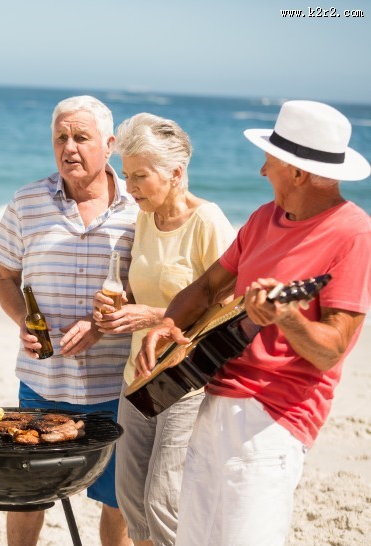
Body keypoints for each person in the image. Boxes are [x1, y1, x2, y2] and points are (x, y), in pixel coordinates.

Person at [137, 100, 370, 545]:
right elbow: (207, 289)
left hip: (275, 420)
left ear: (298, 172)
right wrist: (167, 325)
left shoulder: (354, 233)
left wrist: (288, 319)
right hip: (214, 402)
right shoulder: (264, 218)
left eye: (271, 162)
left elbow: (332, 348)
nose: (264, 172)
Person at [0, 95, 138, 546]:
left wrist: (102, 326)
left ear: (109, 144)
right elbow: (5, 279)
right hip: (41, 383)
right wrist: (21, 320)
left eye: (81, 137)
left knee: (118, 503)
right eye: (61, 138)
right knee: (27, 495)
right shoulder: (28, 201)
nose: (69, 147)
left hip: (116, 386)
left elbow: (151, 291)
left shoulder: (138, 209)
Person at [92, 113, 235, 546]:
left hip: (186, 380)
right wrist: (117, 310)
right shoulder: (144, 218)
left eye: (140, 177)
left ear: (175, 173)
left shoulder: (207, 221)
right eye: (128, 175)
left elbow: (228, 306)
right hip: (138, 375)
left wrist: (153, 317)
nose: (130, 187)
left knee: (162, 499)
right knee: (131, 497)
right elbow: (144, 293)